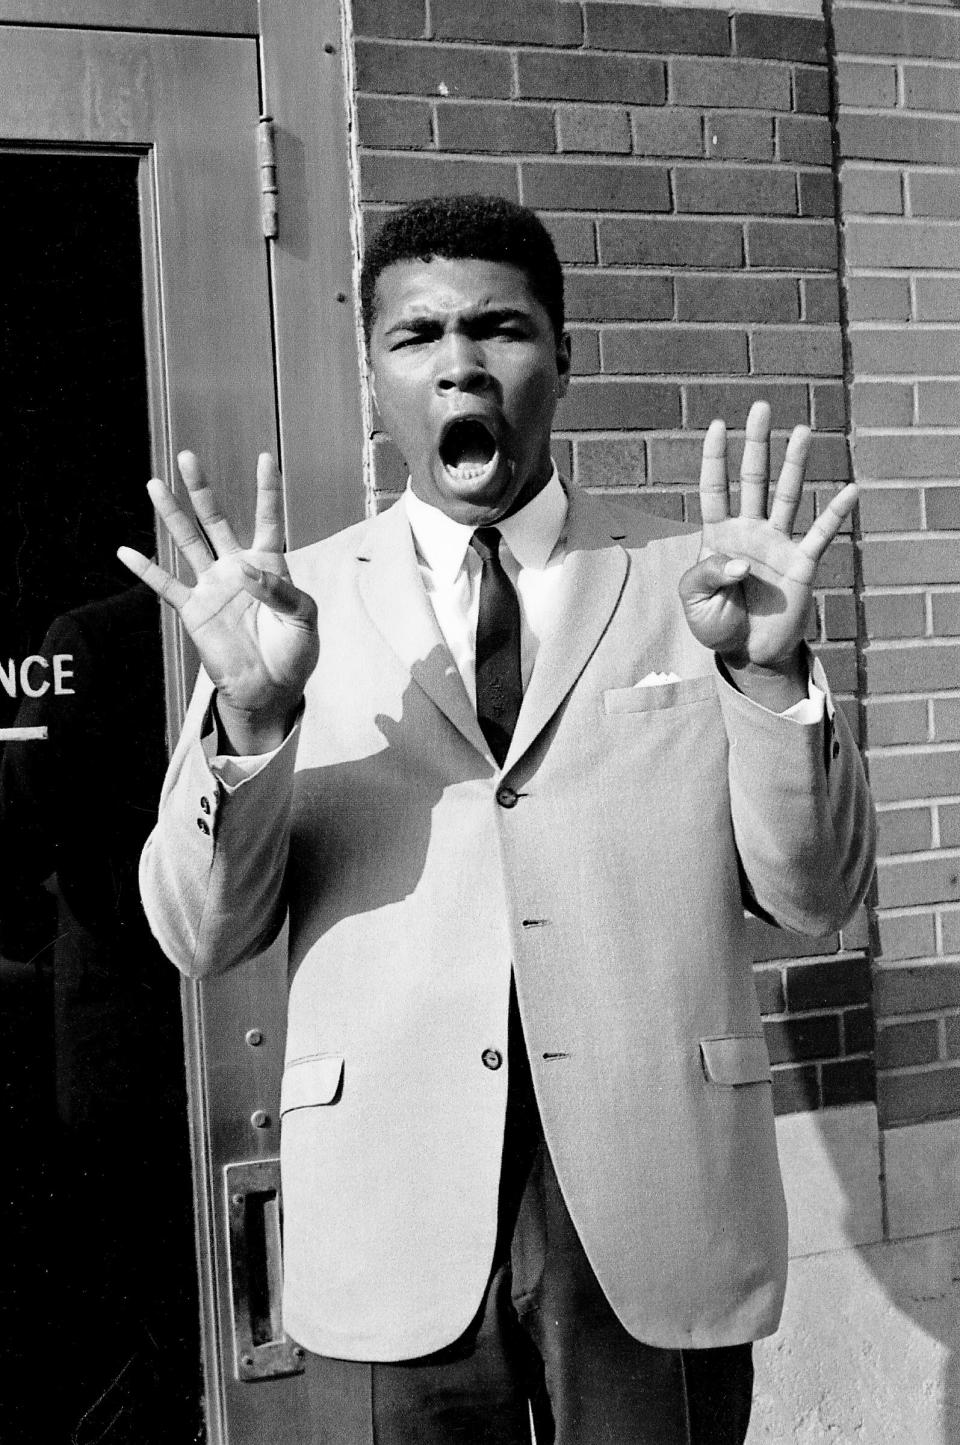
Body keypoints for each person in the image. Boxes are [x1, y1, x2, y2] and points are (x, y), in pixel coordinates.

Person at [119, 194, 876, 1445]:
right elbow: (202, 933)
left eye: (499, 328)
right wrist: (251, 721)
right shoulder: (282, 611)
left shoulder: (708, 585)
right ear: (373, 374)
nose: (459, 362)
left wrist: (770, 679)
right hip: (390, 1199)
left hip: (652, 1195)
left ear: (561, 356)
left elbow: (817, 891)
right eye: (417, 337)